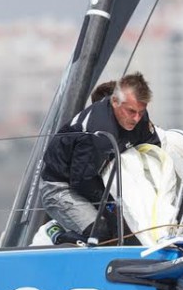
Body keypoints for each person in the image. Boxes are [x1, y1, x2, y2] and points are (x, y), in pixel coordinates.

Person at [39, 71, 160, 243]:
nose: (136, 118)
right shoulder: (99, 133)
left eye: (141, 112)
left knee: (130, 230)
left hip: (98, 180)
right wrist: (113, 210)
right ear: (115, 101)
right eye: (131, 111)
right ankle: (57, 233)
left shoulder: (139, 117)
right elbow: (82, 181)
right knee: (103, 233)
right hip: (62, 187)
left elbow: (153, 148)